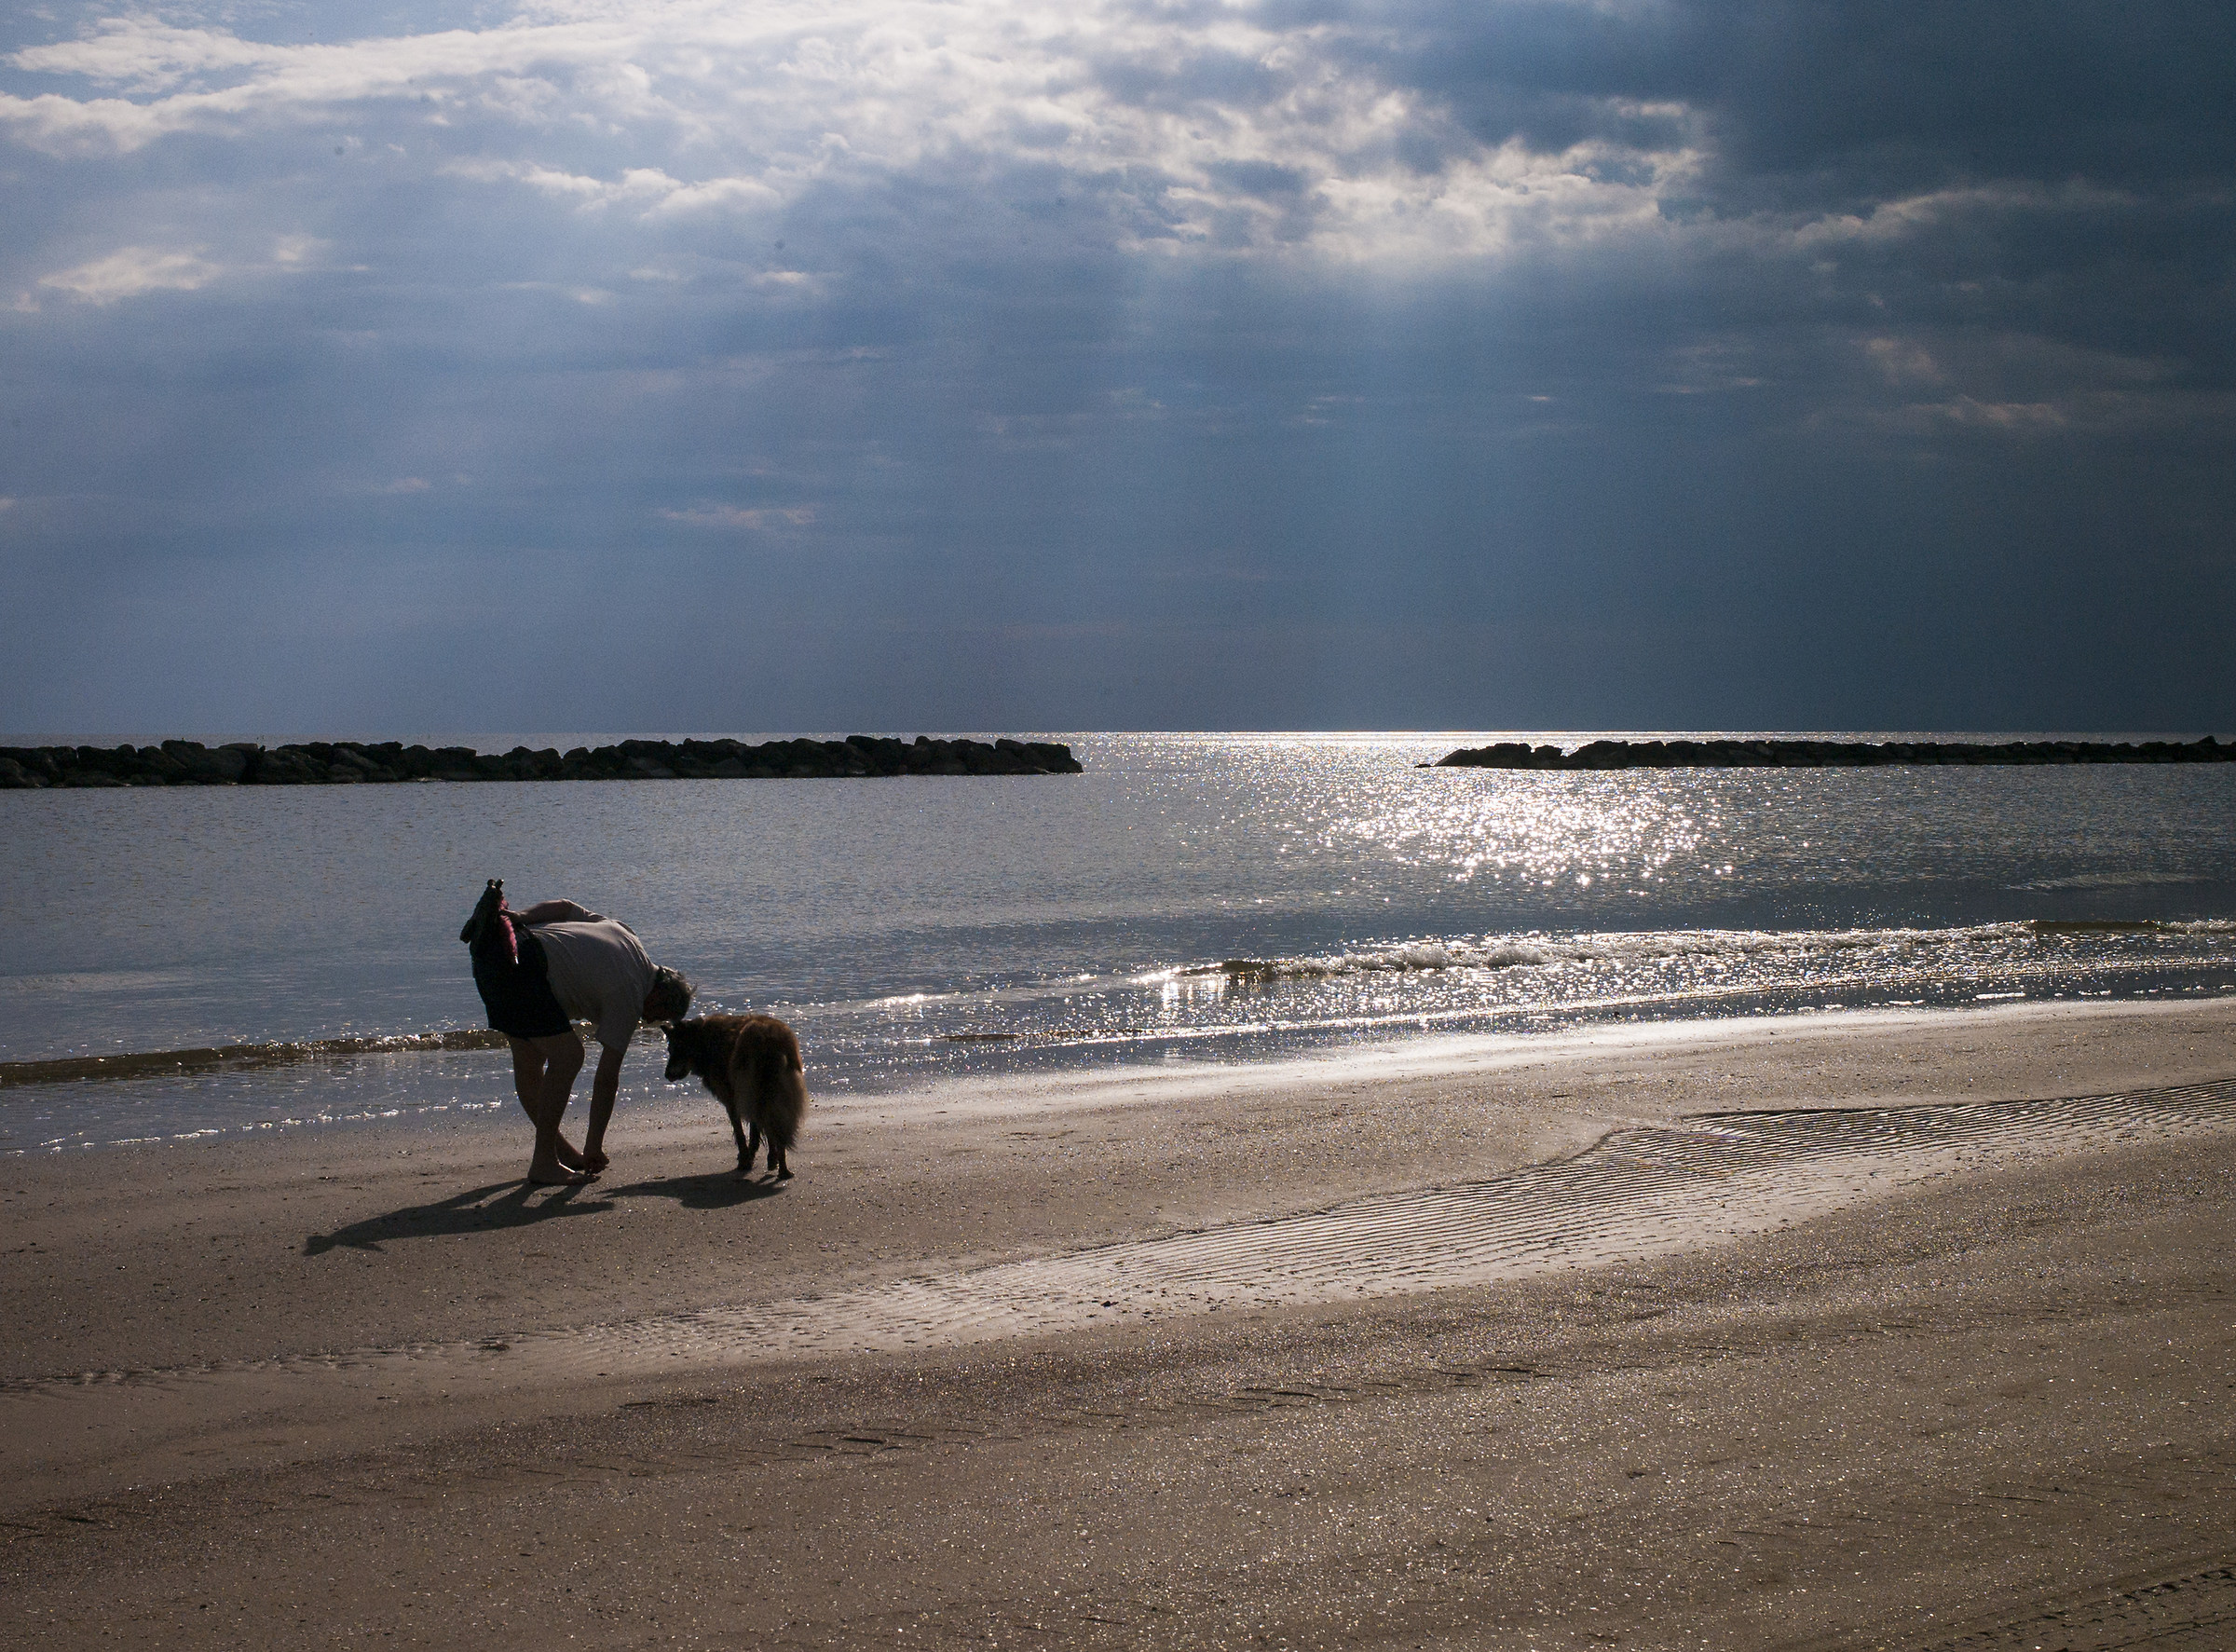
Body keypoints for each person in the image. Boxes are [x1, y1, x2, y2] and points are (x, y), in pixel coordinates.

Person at [462, 885, 693, 1184]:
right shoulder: (631, 994)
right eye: (656, 1016)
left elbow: (564, 906)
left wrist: (520, 916)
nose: (647, 1020)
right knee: (570, 1057)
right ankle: (544, 1163)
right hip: (526, 966)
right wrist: (594, 1145)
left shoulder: (626, 935)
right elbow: (607, 1079)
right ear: (659, 996)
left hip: (499, 949)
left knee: (530, 1062)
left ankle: (560, 1154)